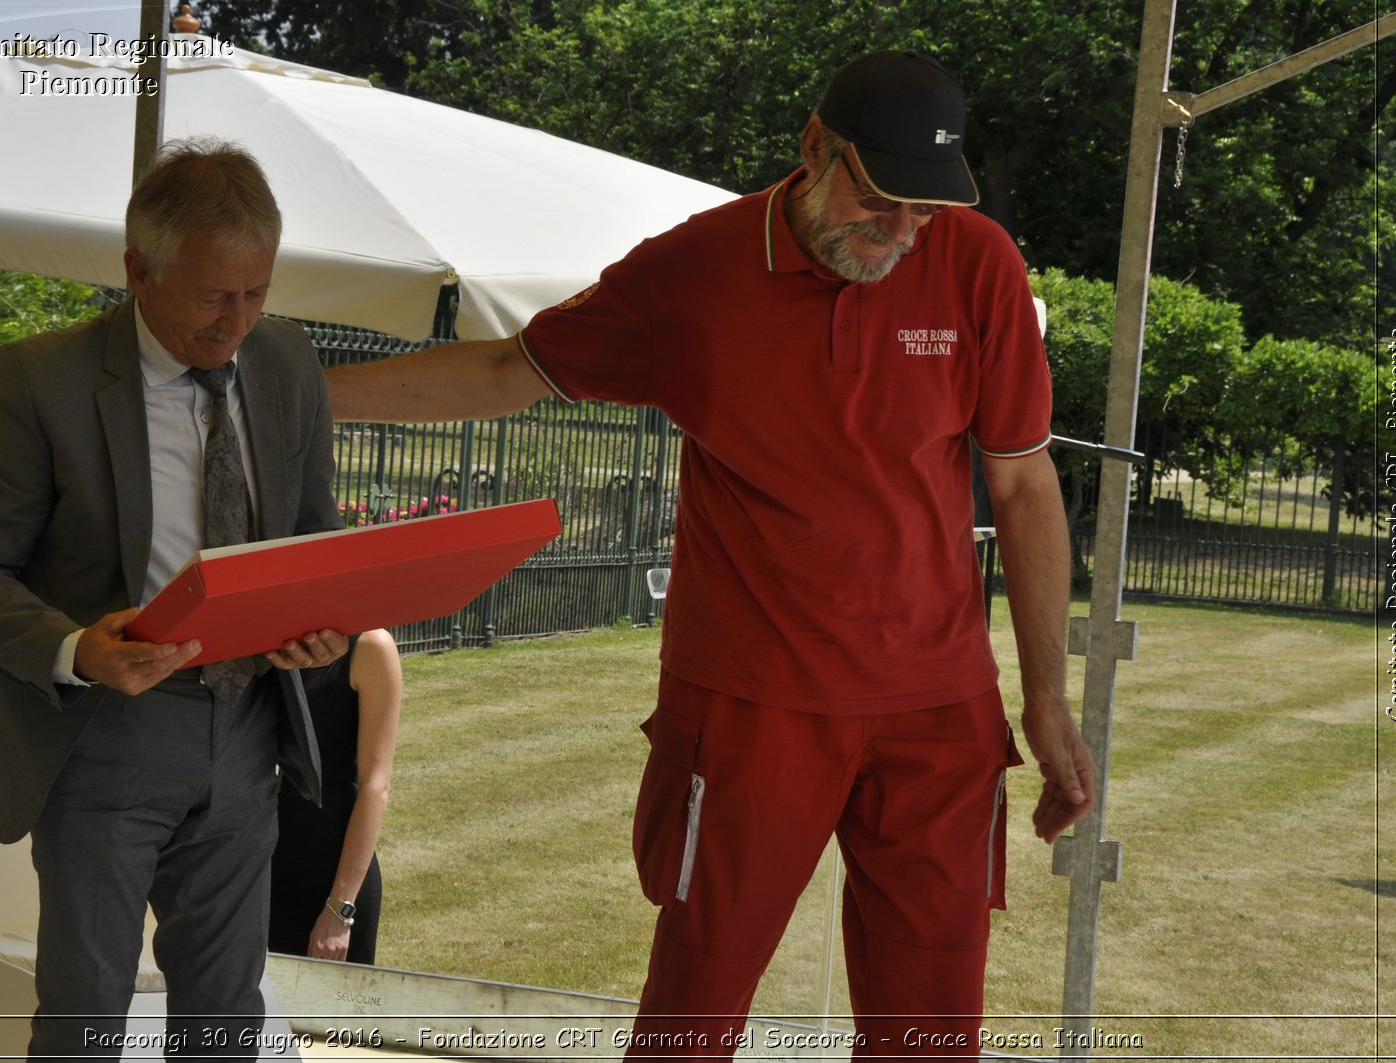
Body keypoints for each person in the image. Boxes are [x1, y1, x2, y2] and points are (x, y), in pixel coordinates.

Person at [322, 51, 1096, 1059]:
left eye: (927, 211)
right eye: (881, 200)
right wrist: (305, 392)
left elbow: (1024, 485)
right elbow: (514, 369)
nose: (904, 233)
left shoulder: (979, 262)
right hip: (750, 701)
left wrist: (1043, 698)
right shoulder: (694, 272)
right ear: (815, 146)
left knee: (931, 1034)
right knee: (694, 1014)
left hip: (935, 706)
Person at [0, 138, 347, 1061]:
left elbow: (315, 542)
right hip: (100, 740)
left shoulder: (286, 362)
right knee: (84, 1018)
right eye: (212, 296)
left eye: (256, 293)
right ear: (137, 271)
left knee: (227, 1016)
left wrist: (323, 625)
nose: (236, 322)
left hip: (246, 735)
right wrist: (79, 647)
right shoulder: (39, 379)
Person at [269, 628, 402, 964]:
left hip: (329, 876)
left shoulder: (371, 645)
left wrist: (339, 910)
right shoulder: (263, 642)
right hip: (251, 871)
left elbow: (376, 786)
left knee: (328, 1017)